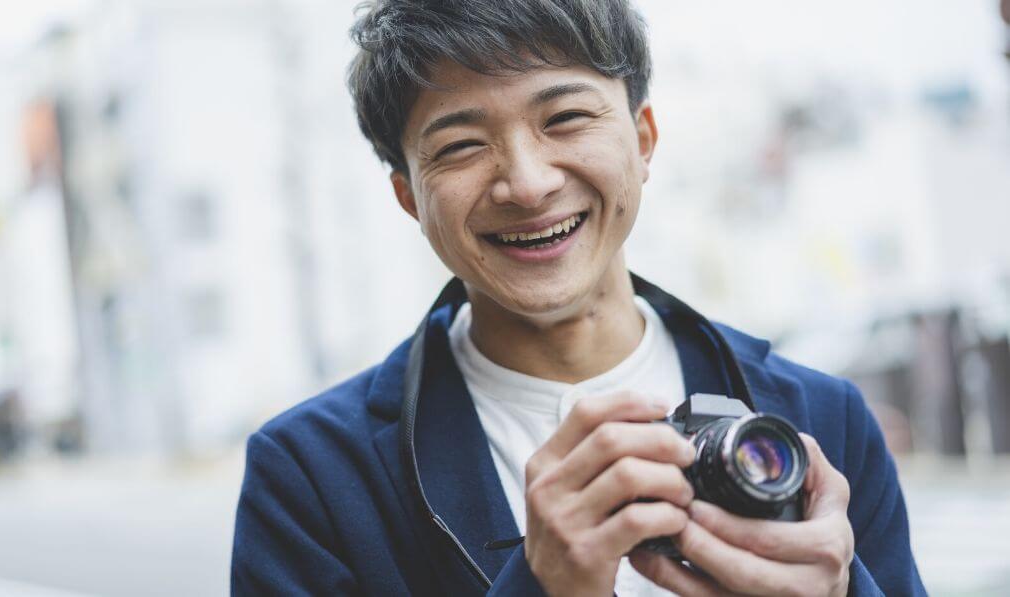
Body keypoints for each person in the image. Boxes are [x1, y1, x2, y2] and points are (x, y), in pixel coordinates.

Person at [231, 1, 926, 595]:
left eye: (564, 118)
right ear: (409, 195)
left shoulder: (822, 421)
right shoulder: (311, 478)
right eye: (461, 145)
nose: (527, 184)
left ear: (644, 138)